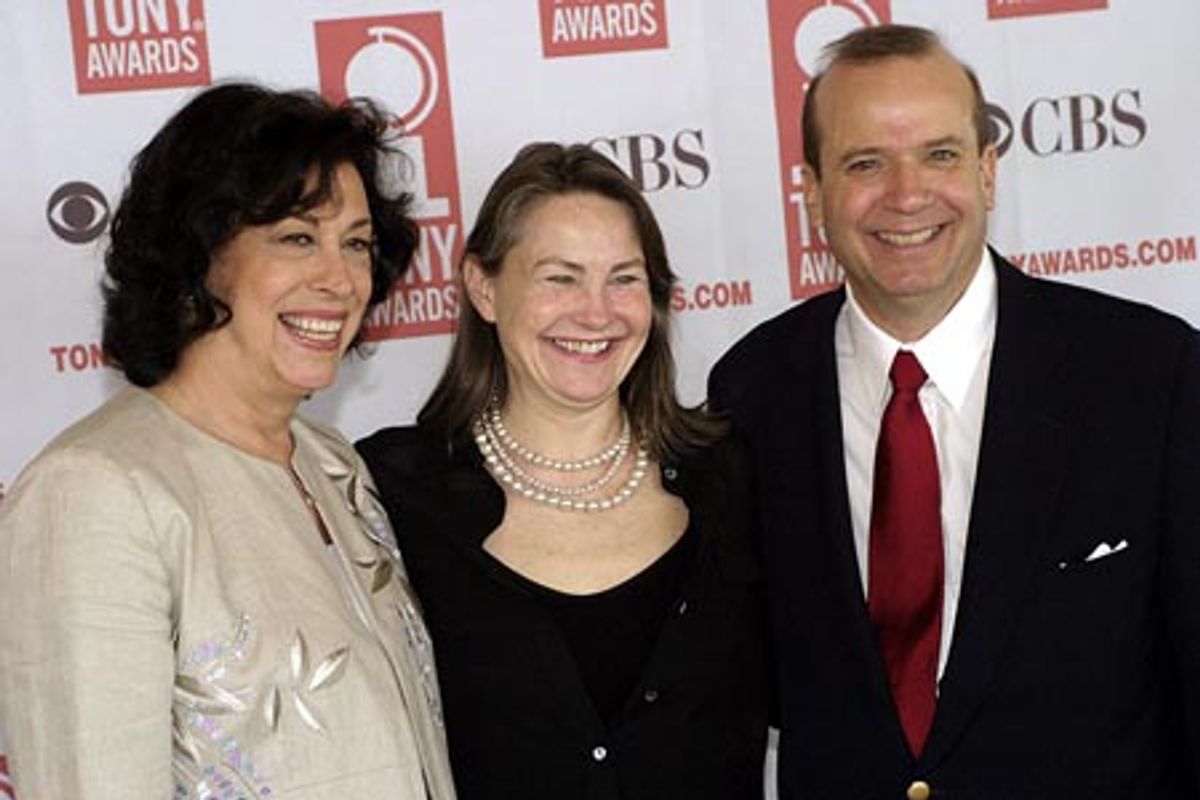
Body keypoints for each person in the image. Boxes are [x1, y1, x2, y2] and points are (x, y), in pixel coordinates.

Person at [708, 23, 1200, 800]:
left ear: (987, 171)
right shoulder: (752, 390)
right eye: (866, 162)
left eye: (939, 155)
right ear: (812, 192)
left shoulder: (1150, 375)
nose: (907, 196)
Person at [0, 82, 455, 800]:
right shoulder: (93, 492)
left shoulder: (333, 465)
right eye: (297, 238)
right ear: (198, 256)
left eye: (358, 244)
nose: (339, 279)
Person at [357, 142, 769, 799]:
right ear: (484, 288)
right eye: (560, 277)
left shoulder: (733, 475)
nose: (597, 312)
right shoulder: (390, 492)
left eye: (625, 278)